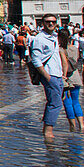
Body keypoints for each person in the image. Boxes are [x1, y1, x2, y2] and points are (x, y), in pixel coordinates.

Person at [30, 14, 63, 142]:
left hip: (57, 73)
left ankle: (48, 127)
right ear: (42, 23)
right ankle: (48, 130)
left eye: (53, 22)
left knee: (57, 101)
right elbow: (36, 59)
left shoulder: (54, 37)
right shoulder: (40, 38)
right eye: (48, 22)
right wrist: (46, 76)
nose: (51, 24)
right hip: (50, 74)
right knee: (55, 103)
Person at [58, 29, 84, 131]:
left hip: (67, 78)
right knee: (76, 101)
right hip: (76, 76)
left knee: (67, 103)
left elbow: (64, 64)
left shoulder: (60, 50)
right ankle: (81, 125)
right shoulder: (74, 48)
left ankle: (72, 126)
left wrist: (63, 76)